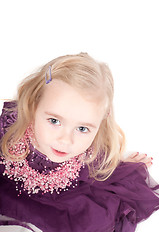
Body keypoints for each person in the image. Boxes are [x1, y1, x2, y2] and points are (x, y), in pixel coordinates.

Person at [0, 53, 158, 232]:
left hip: (60, 202)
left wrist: (131, 171)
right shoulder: (10, 129)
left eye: (82, 129)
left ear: (101, 122)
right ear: (33, 105)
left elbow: (104, 171)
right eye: (54, 121)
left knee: (92, 220)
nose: (66, 140)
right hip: (8, 188)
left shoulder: (90, 153)